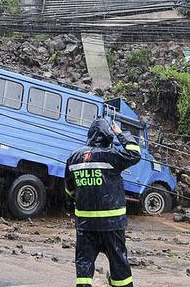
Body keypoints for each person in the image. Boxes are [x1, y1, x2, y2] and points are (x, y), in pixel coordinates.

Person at [64, 118, 142, 287]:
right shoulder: (111, 156)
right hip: (112, 225)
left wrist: (80, 200)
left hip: (86, 226)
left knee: (84, 268)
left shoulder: (74, 157)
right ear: (108, 137)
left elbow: (69, 190)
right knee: (119, 265)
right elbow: (135, 153)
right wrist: (121, 134)